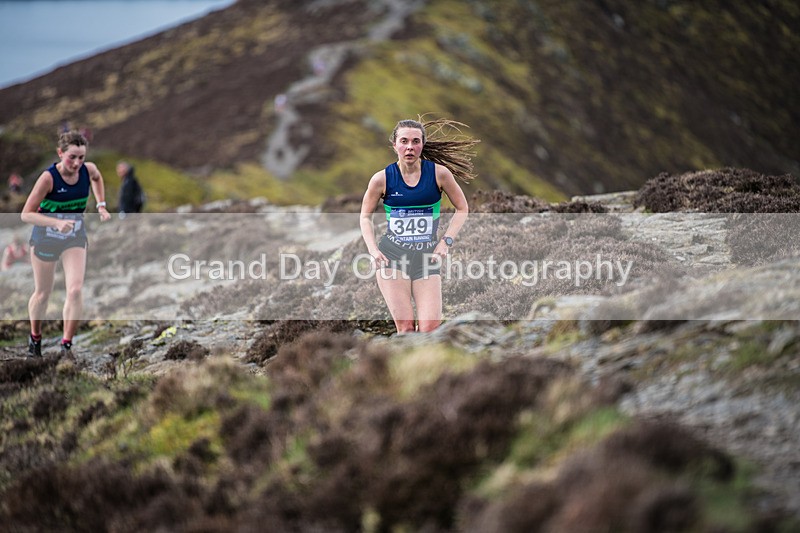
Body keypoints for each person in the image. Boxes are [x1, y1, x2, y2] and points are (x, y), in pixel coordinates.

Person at [360, 118, 478, 333]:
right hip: (392, 258)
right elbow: (364, 217)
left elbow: (462, 208)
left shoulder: (439, 174)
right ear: (394, 144)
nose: (409, 147)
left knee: (430, 329)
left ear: (422, 145)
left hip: (427, 258)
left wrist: (445, 242)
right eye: (404, 141)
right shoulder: (382, 179)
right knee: (406, 329)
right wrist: (373, 250)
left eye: (415, 141)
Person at [20, 131, 111, 358]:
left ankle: (66, 345)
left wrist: (101, 204)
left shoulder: (88, 170)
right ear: (60, 153)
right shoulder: (48, 178)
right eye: (72, 157)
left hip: (74, 237)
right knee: (42, 294)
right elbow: (26, 214)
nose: (77, 163)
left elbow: (98, 178)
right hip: (46, 238)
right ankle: (35, 337)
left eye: (81, 157)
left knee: (75, 289)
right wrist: (55, 223)